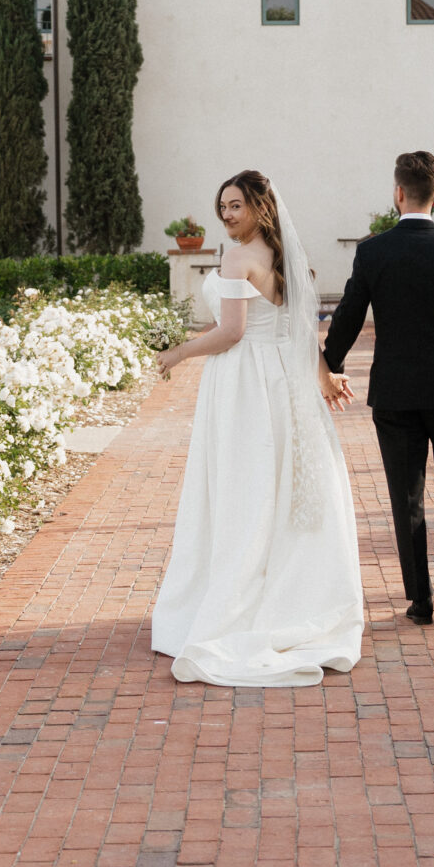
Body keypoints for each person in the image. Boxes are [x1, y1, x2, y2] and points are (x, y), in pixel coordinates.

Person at [147, 170, 365, 686]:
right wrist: (323, 378)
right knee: (278, 486)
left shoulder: (238, 256)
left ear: (259, 207)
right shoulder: (288, 256)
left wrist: (177, 353)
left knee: (245, 487)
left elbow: (231, 331)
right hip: (283, 381)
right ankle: (290, 597)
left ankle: (240, 600)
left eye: (236, 206)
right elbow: (299, 328)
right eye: (222, 206)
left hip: (244, 382)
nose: (226, 215)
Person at [323, 151, 434, 624]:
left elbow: (348, 318)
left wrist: (326, 367)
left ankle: (419, 600)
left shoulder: (373, 252)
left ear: (398, 193)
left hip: (394, 392)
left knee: (406, 493)